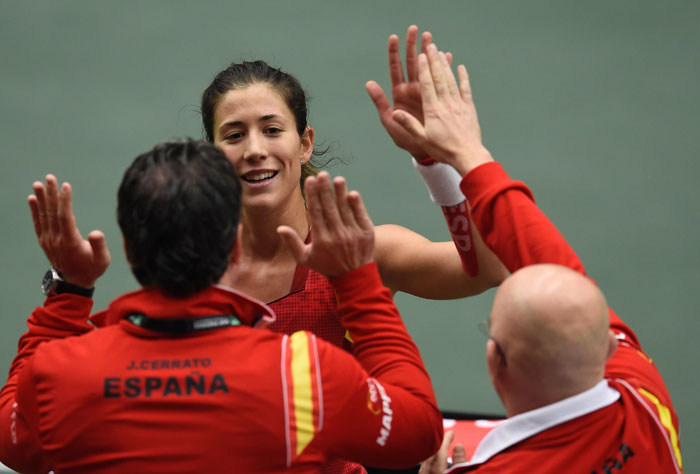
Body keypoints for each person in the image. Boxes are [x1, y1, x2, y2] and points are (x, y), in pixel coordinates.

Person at [0, 139, 443, 473]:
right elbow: (418, 432)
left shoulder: (57, 372)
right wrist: (357, 280)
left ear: (129, 250)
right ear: (234, 246)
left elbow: (13, 444)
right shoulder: (302, 375)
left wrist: (69, 293)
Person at [397, 43, 683, 473]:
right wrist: (463, 158)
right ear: (606, 346)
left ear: (496, 363)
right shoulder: (646, 405)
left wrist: (465, 154)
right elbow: (556, 268)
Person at [193, 25, 507, 355]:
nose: (255, 149)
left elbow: (488, 268)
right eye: (234, 136)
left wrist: (438, 158)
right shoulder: (191, 269)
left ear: (304, 144)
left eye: (272, 130)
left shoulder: (364, 254)